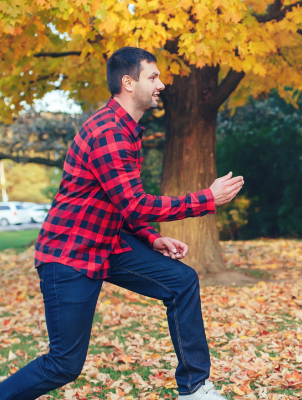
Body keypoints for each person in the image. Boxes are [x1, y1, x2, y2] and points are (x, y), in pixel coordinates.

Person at [0, 47, 243, 400]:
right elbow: (135, 203)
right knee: (64, 364)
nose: (161, 84)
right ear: (128, 83)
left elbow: (121, 204)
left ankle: (194, 389)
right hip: (70, 256)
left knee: (182, 281)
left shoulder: (126, 129)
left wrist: (150, 238)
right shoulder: (108, 133)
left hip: (107, 245)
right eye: (153, 77)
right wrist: (207, 198)